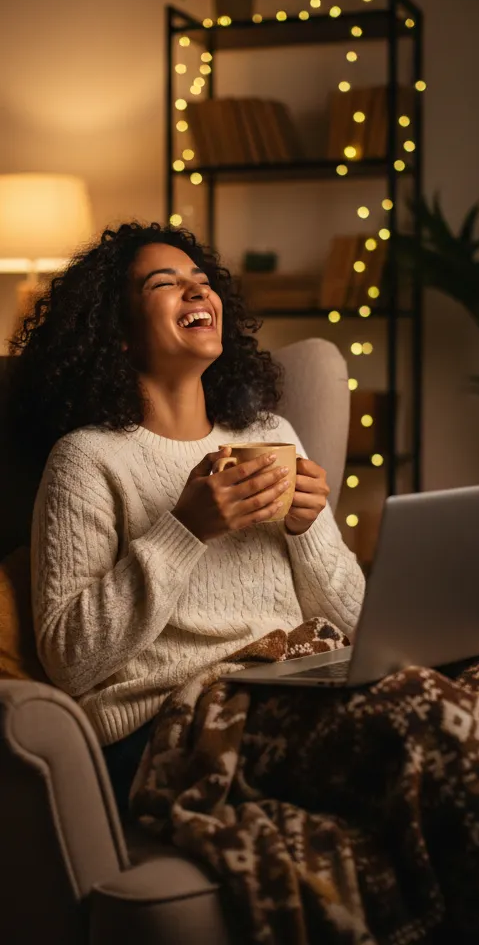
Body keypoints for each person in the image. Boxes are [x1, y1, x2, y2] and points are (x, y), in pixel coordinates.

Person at [11, 221, 365, 811]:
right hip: (172, 722)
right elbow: (71, 660)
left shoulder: (270, 434)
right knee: (418, 724)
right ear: (118, 333)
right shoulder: (87, 459)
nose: (198, 292)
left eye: (202, 282)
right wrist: (185, 531)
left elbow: (357, 620)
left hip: (299, 682)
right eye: (164, 284)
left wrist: (307, 531)